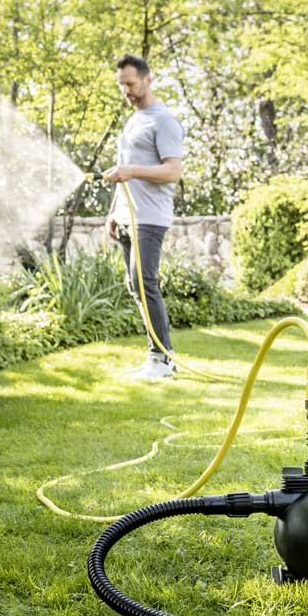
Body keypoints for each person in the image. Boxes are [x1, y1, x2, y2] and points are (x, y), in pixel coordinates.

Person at [103, 53, 185, 380]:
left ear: (148, 79)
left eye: (131, 84)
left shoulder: (163, 120)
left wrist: (132, 171)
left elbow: (173, 171)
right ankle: (158, 355)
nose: (126, 90)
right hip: (127, 217)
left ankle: (162, 359)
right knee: (134, 286)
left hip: (150, 218)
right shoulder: (133, 120)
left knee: (144, 282)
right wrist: (113, 213)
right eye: (122, 85)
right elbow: (122, 173)